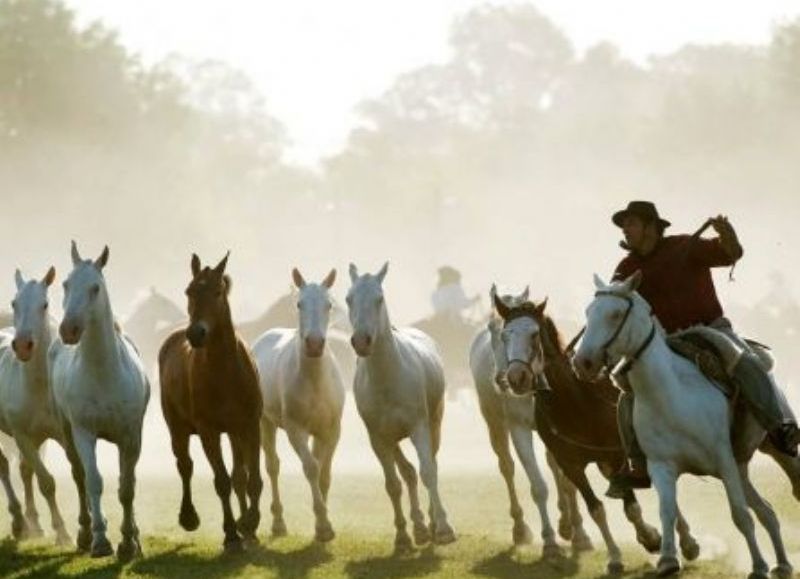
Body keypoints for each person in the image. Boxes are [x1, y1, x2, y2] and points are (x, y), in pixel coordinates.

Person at [606, 200, 800, 498]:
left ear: (650, 227)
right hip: (666, 343)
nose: (625, 229)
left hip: (709, 330)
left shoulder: (685, 246)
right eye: (624, 225)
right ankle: (637, 463)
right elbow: (616, 303)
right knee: (628, 391)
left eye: (631, 223)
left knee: (744, 363)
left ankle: (779, 428)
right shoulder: (626, 268)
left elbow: (730, 254)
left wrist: (728, 236)